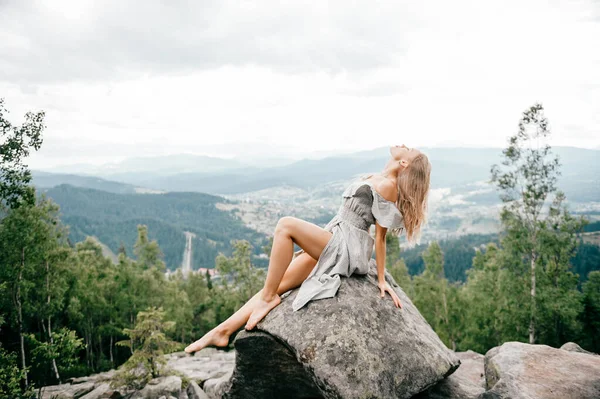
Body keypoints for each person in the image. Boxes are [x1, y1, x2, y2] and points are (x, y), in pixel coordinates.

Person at [184, 144, 431, 354]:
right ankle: (222, 331)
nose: (403, 144)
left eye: (408, 149)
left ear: (404, 163)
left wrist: (381, 279)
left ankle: (268, 300)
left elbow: (380, 237)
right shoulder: (379, 178)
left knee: (285, 226)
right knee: (275, 283)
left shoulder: (388, 185)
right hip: (333, 236)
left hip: (345, 245)